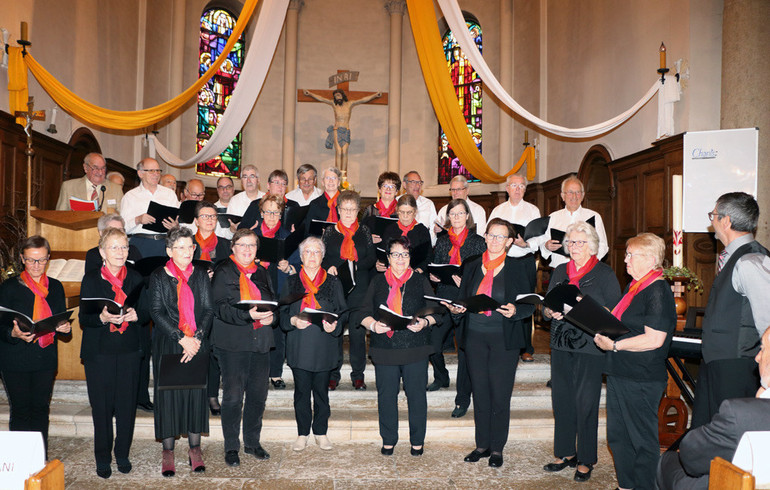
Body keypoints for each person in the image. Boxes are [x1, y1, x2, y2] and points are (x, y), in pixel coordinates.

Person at [445, 218, 535, 468]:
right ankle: (481, 445)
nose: (494, 241)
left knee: (500, 395)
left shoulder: (518, 267)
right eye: (490, 235)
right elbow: (463, 299)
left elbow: (529, 305)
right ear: (484, 237)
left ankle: (497, 448)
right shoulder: (472, 264)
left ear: (508, 242)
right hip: (474, 336)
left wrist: (515, 310)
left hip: (503, 340)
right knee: (480, 393)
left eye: (500, 237)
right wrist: (457, 309)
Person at [593, 232, 676, 490]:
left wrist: (615, 345)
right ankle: (626, 485)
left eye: (631, 255)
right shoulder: (635, 287)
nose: (625, 260)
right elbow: (628, 322)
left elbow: (654, 339)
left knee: (641, 440)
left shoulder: (657, 290)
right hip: (622, 371)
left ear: (651, 259)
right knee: (618, 438)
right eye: (626, 254)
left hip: (641, 376)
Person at [541, 221, 621, 483]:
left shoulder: (604, 273)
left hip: (590, 344)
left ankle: (586, 459)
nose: (574, 247)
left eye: (580, 242)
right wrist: (548, 311)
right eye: (571, 242)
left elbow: (614, 312)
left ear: (592, 245)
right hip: (561, 343)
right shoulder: (560, 270)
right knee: (562, 400)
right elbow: (545, 305)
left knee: (586, 403)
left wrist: (583, 308)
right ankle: (565, 453)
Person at [692, 192, 770, 428]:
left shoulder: (750, 261)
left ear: (725, 221)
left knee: (732, 434)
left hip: (737, 367)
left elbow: (767, 319)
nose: (711, 221)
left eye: (713, 215)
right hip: (719, 362)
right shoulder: (735, 257)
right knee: (711, 430)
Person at [657, 327, 770, 490]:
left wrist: (759, 403)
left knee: (667, 462)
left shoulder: (740, 414)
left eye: (763, 349)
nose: (758, 358)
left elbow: (691, 458)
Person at [360, 236, 441, 456]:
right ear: (388, 258)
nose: (400, 259)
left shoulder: (419, 280)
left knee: (416, 396)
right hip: (385, 347)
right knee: (386, 397)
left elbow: (436, 313)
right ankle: (389, 439)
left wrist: (424, 322)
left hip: (415, 347)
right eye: (396, 254)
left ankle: (417, 440)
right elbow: (363, 313)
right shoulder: (377, 281)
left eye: (405, 254)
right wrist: (373, 325)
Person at [79, 228, 147, 479]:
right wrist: (101, 317)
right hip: (99, 353)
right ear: (102, 252)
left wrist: (137, 315)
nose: (120, 252)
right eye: (114, 247)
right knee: (102, 408)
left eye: (124, 247)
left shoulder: (137, 277)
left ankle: (122, 454)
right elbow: (84, 317)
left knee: (127, 406)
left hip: (129, 350)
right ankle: (103, 457)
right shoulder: (91, 279)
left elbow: (147, 311)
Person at [148, 227, 214, 476]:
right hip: (169, 343)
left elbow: (208, 310)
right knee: (168, 397)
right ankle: (168, 452)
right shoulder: (158, 276)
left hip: (197, 343)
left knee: (196, 395)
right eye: (181, 247)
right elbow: (156, 311)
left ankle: (195, 449)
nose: (187, 252)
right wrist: (181, 338)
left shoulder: (200, 275)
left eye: (190, 247)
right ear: (169, 251)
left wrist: (196, 339)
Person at [0, 236, 72, 458]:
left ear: (48, 259)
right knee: (20, 410)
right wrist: (12, 333)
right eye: (31, 260)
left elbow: (59, 319)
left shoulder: (56, 287)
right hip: (14, 359)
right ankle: (21, 460)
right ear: (22, 258)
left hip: (44, 358)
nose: (36, 266)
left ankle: (39, 459)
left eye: (41, 260)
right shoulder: (9, 287)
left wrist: (64, 328)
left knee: (41, 410)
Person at [210, 229, 275, 467]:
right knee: (233, 397)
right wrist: (248, 315)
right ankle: (231, 447)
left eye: (252, 245)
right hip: (233, 342)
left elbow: (272, 304)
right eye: (243, 245)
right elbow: (219, 307)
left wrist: (271, 319)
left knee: (258, 396)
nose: (248, 250)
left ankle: (252, 442)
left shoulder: (263, 272)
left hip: (261, 340)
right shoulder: (223, 271)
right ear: (233, 247)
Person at [280, 236, 347, 451]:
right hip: (299, 344)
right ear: (300, 257)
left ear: (323, 256)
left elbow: (343, 312)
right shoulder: (291, 282)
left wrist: (334, 325)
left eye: (316, 252)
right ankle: (302, 434)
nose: (312, 256)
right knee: (301, 392)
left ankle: (321, 432)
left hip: (324, 345)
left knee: (321, 392)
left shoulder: (333, 281)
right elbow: (281, 314)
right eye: (307, 252)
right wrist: (292, 320)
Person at [428, 199, 486, 412]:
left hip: (468, 301)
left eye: (461, 213)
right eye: (453, 214)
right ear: (448, 218)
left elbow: (484, 273)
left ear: (467, 216)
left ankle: (462, 399)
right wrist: (435, 277)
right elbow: (438, 267)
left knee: (464, 350)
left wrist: (468, 281)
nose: (457, 217)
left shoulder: (478, 241)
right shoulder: (442, 241)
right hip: (444, 297)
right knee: (432, 342)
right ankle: (441, 377)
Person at [321, 190, 376, 390]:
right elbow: (324, 257)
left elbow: (372, 258)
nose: (349, 213)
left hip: (360, 289)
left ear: (358, 211)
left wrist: (355, 264)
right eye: (345, 209)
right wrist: (330, 267)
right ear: (339, 209)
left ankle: (358, 376)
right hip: (336, 288)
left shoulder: (364, 232)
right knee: (335, 332)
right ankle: (333, 375)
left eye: (353, 209)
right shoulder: (329, 232)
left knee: (357, 335)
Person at [487, 173, 542, 363]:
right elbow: (489, 234)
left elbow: (540, 238)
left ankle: (526, 348)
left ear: (525, 189)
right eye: (514, 185)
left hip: (524, 260)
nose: (517, 189)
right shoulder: (498, 210)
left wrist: (524, 244)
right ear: (507, 188)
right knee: (502, 299)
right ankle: (503, 341)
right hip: (502, 261)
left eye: (521, 186)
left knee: (525, 302)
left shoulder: (533, 210)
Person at [251, 194, 300, 389]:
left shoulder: (287, 236)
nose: (272, 216)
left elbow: (299, 266)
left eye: (276, 212)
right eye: (268, 211)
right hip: (255, 290)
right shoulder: (252, 235)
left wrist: (288, 267)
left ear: (281, 214)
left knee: (277, 333)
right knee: (256, 331)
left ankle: (276, 373)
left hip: (278, 288)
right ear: (261, 213)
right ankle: (256, 372)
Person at [302, 88, 382, 172]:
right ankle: (337, 173)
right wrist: (310, 94)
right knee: (339, 152)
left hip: (346, 130)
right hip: (337, 130)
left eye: (339, 95)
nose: (337, 97)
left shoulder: (350, 104)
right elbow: (322, 98)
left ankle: (343, 174)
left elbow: (362, 100)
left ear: (342, 95)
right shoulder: (334, 104)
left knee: (344, 152)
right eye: (335, 96)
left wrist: (375, 95)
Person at [539, 176, 608, 268]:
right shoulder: (552, 218)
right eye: (570, 192)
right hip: (559, 270)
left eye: (578, 192)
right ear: (563, 196)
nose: (574, 196)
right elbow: (542, 244)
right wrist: (547, 246)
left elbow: (603, 246)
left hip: (585, 270)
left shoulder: (594, 216)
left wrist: (589, 263)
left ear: (583, 196)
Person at [120, 158, 180, 257]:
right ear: (140, 173)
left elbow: (177, 220)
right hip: (140, 244)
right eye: (151, 171)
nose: (156, 174)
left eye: (158, 171)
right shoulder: (130, 196)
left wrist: (175, 226)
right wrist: (138, 220)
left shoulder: (169, 194)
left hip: (165, 243)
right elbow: (122, 228)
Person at [378, 195, 431, 274]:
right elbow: (384, 254)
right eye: (402, 212)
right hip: (392, 274)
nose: (405, 216)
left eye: (409, 212)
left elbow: (428, 258)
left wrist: (416, 272)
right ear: (397, 211)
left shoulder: (422, 231)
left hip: (416, 275)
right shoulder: (390, 229)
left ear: (415, 212)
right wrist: (380, 264)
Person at [56, 152, 123, 211]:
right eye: (96, 168)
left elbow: (122, 217)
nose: (100, 172)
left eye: (103, 168)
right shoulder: (69, 187)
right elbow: (60, 215)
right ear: (85, 168)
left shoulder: (116, 189)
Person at [433, 175, 487, 240]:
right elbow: (437, 238)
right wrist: (438, 232)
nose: (455, 193)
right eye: (453, 189)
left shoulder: (478, 210)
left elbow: (481, 236)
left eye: (459, 189)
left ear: (467, 191)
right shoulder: (443, 210)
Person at [225, 164, 265, 238]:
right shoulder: (235, 201)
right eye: (245, 177)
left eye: (252, 176)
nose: (248, 180)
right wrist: (232, 230)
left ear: (258, 180)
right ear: (242, 181)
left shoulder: (266, 199)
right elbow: (228, 232)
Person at [361, 171, 401, 244]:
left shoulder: (401, 211)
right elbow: (360, 232)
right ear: (379, 189)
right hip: (373, 251)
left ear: (396, 191)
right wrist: (368, 238)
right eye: (385, 186)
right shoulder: (370, 210)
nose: (388, 189)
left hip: (395, 252)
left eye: (392, 186)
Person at [403, 171, 438, 244]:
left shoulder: (428, 204)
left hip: (423, 247)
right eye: (413, 182)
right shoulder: (397, 202)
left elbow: (433, 230)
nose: (417, 186)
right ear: (404, 185)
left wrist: (426, 246)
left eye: (419, 182)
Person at [305, 167, 342, 235]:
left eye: (334, 178)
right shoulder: (315, 204)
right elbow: (308, 232)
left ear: (339, 182)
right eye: (327, 178)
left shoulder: (347, 203)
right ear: (322, 182)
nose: (331, 181)